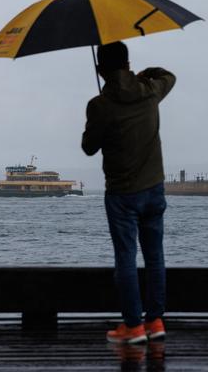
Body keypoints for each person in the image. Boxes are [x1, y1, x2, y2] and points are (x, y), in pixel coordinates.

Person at [82, 41, 175, 344]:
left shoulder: (100, 105)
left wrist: (99, 114)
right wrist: (145, 73)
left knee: (126, 257)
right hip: (154, 189)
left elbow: (88, 147)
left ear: (100, 69)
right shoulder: (150, 91)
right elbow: (169, 76)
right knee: (155, 256)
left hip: (122, 194)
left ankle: (133, 326)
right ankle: (156, 321)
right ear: (127, 63)